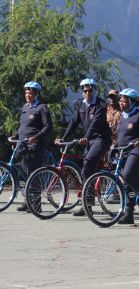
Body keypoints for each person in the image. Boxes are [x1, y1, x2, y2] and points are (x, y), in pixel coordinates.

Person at [57, 78, 112, 216]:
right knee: (86, 169)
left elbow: (96, 124)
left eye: (89, 90)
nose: (87, 92)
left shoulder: (100, 104)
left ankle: (87, 203)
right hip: (89, 140)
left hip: (101, 139)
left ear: (94, 90)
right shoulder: (80, 105)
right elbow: (74, 122)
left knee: (87, 164)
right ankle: (87, 204)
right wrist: (63, 138)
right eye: (84, 90)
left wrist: (86, 137)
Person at [115, 88, 139, 224]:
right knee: (126, 183)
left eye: (124, 101)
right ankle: (129, 214)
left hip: (138, 151)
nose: (121, 103)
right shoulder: (122, 117)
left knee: (128, 174)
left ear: (132, 102)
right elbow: (119, 136)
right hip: (123, 151)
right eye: (120, 101)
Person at [13, 81, 53, 212]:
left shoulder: (42, 108)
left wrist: (36, 137)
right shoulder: (25, 107)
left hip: (35, 145)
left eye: (30, 93)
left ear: (36, 94)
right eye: (26, 93)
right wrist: (14, 136)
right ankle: (27, 201)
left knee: (33, 173)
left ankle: (36, 205)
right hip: (23, 144)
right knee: (23, 172)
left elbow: (48, 127)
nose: (27, 95)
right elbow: (22, 126)